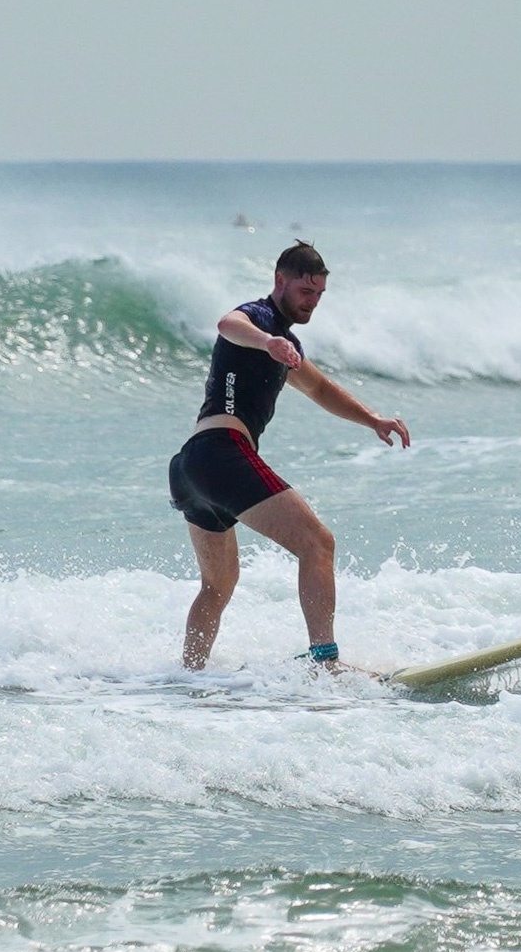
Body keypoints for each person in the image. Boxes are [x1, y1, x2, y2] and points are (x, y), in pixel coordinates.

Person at [167, 241, 410, 670]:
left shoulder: (288, 343)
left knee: (219, 584)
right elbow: (227, 323)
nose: (312, 302)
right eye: (305, 292)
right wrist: (267, 342)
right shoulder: (259, 319)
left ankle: (190, 675)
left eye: (319, 295)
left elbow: (319, 388)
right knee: (318, 543)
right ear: (281, 280)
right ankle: (325, 661)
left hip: (192, 469)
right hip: (221, 454)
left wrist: (373, 419)